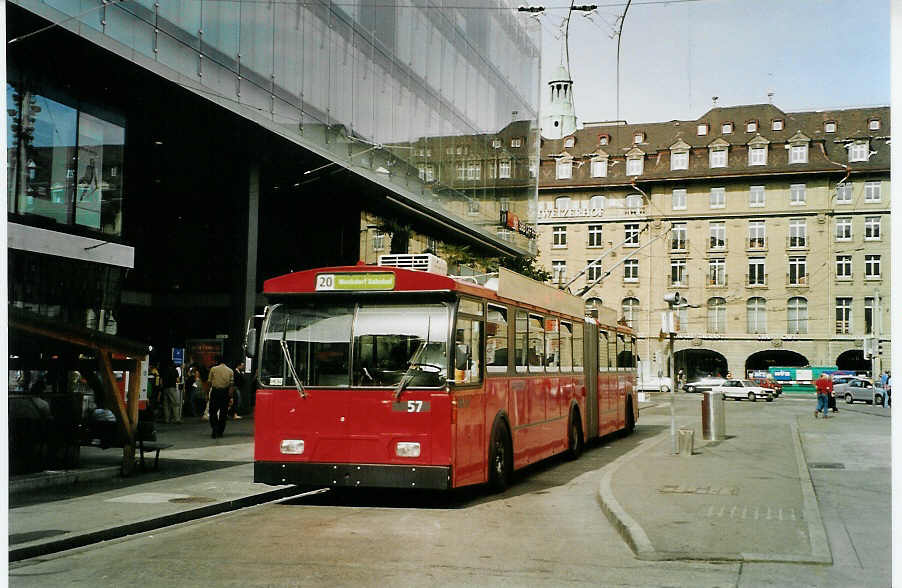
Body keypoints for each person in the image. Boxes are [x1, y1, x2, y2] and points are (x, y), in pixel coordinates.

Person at [207, 355, 234, 438]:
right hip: (225, 393)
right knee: (223, 413)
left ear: (217, 361)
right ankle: (220, 431)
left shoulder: (213, 369)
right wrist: (231, 397)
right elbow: (231, 385)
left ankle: (214, 428)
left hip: (215, 392)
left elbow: (209, 382)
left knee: (213, 411)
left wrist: (207, 393)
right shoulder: (230, 371)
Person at [161, 359, 181, 424]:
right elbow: (177, 380)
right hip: (172, 388)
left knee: (166, 405)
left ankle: (167, 419)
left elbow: (161, 380)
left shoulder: (164, 370)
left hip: (165, 388)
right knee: (175, 404)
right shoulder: (175, 370)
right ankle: (177, 419)